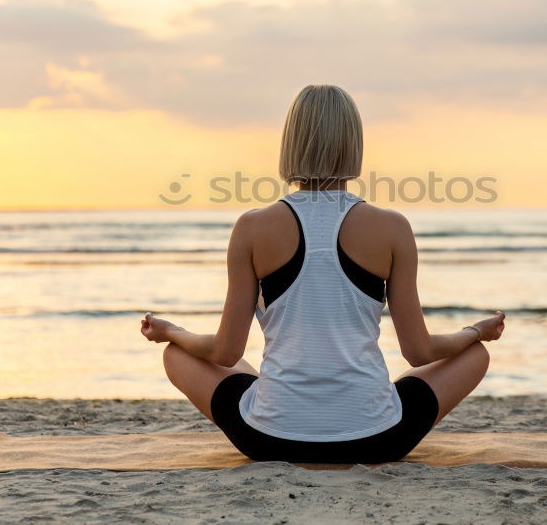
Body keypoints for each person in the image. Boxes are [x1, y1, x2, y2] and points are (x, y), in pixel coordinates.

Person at [140, 84, 506, 464]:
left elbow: (225, 351)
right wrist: (475, 332)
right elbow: (420, 352)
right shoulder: (392, 227)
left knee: (177, 355)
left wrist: (173, 332)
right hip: (379, 440)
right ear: (354, 144)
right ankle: (358, 408)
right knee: (474, 355)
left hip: (268, 440)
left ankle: (289, 408)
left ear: (291, 143)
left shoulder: (252, 227)